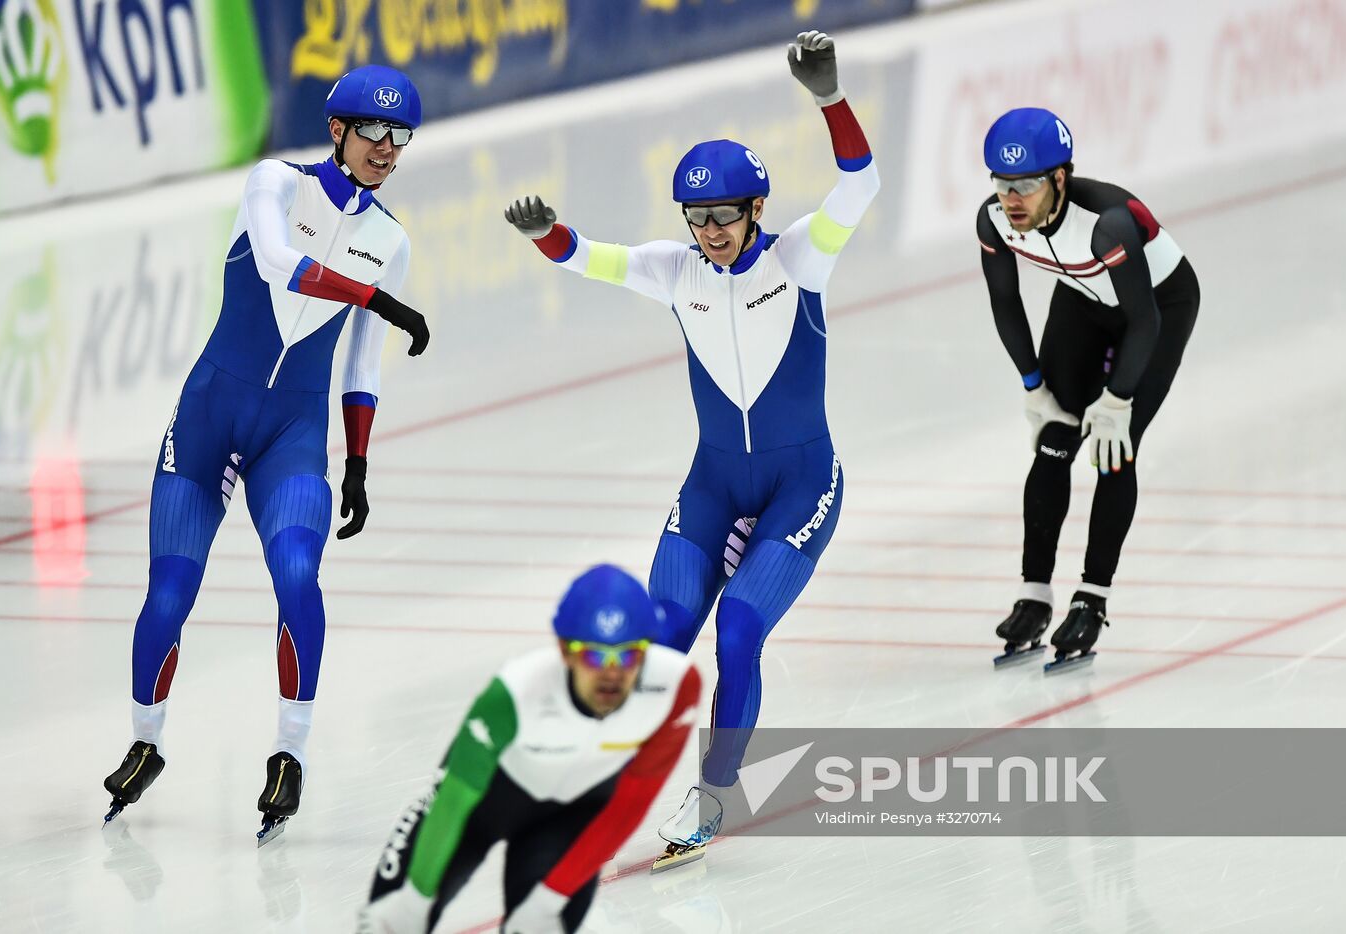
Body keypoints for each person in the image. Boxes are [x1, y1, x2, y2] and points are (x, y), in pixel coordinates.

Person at [503, 30, 877, 865]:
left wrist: (829, 99)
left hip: (800, 483)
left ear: (755, 211)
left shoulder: (799, 259)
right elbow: (594, 260)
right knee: (660, 636)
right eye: (695, 216)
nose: (708, 231)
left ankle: (713, 794)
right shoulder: (676, 269)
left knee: (738, 632)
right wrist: (548, 237)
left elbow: (862, 183)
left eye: (723, 215)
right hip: (713, 484)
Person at [100, 64, 433, 841]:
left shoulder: (391, 241)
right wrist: (376, 297)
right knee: (170, 595)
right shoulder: (274, 184)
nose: (387, 148)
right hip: (212, 415)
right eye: (373, 131)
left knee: (296, 576)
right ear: (336, 130)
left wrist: (356, 462)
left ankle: (290, 753)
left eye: (402, 135)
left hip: (293, 434)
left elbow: (360, 363)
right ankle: (146, 743)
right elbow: (282, 260)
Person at [355, 565, 700, 933]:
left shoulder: (676, 686)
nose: (612, 673)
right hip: (482, 803)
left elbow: (630, 802)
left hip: (564, 817)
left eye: (628, 656)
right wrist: (415, 899)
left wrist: (549, 898)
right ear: (566, 652)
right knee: (391, 920)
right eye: (595, 657)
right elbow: (454, 801)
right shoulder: (515, 692)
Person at [977, 107, 1199, 672]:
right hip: (1083, 296)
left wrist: (1118, 399)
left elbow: (1144, 320)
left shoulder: (1108, 222)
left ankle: (1092, 597)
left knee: (1112, 449)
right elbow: (1006, 302)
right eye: (1002, 185)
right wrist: (1034, 386)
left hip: (1156, 307)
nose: (1012, 200)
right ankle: (1033, 593)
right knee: (1054, 439)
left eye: (1025, 185)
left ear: (1059, 178)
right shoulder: (994, 220)